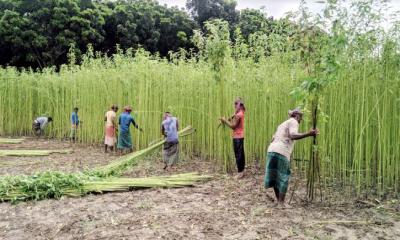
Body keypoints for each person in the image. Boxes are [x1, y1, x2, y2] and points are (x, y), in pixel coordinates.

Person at [264, 108, 318, 208]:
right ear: (297, 116)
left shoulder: (282, 124)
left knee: (275, 176)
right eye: (301, 117)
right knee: (284, 176)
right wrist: (309, 133)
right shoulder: (294, 121)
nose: (301, 120)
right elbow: (293, 135)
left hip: (271, 150)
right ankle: (281, 203)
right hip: (281, 151)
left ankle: (279, 202)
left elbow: (273, 138)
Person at [219, 97, 246, 178]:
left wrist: (225, 121)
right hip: (240, 136)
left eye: (236, 104)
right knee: (241, 154)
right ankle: (242, 171)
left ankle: (240, 173)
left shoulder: (239, 115)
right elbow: (233, 116)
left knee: (238, 155)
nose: (234, 105)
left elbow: (233, 126)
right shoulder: (241, 112)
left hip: (237, 137)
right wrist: (226, 119)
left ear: (240, 105)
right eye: (234, 103)